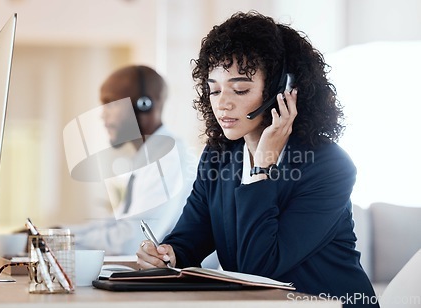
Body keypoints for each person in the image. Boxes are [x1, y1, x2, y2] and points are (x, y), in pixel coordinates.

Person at [136, 12, 378, 307]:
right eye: (214, 89)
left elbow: (259, 268)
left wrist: (261, 166)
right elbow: (192, 235)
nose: (222, 103)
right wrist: (169, 253)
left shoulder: (329, 166)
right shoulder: (219, 157)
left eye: (240, 89)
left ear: (282, 91)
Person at [67, 65, 196, 255]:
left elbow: (133, 241)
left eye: (110, 103)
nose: (103, 115)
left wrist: (58, 241)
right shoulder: (148, 157)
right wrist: (59, 234)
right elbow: (120, 224)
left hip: (182, 281)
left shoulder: (167, 158)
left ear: (144, 104)